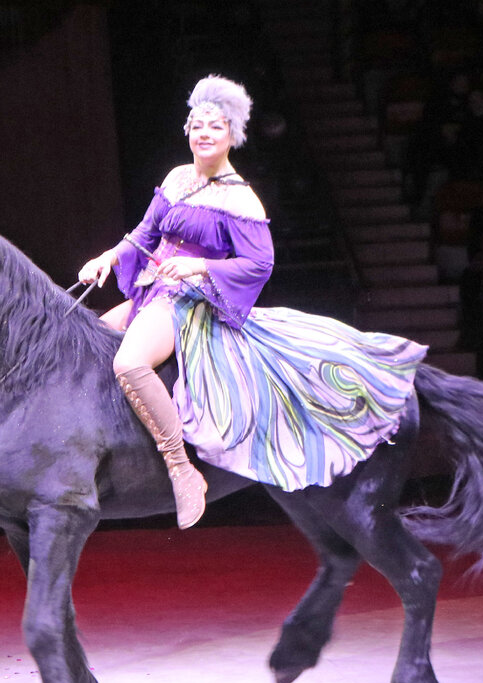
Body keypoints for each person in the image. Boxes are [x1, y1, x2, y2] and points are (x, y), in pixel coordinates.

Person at [79, 75, 426, 528]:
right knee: (87, 343)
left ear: (232, 135)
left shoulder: (240, 199)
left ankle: (181, 470)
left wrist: (199, 267)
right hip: (150, 290)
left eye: (215, 126)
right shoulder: (177, 178)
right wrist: (106, 258)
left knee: (129, 363)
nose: (204, 133)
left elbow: (259, 263)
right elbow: (144, 234)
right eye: (198, 125)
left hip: (186, 302)